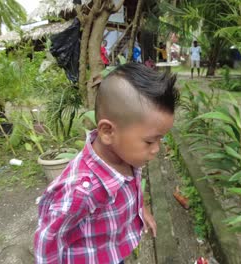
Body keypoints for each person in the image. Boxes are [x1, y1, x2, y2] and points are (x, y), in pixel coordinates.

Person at [34, 63, 179, 264]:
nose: (156, 149)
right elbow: (48, 240)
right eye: (150, 141)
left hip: (111, 250)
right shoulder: (82, 191)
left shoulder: (127, 155)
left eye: (160, 140)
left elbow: (133, 186)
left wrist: (141, 210)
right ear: (108, 132)